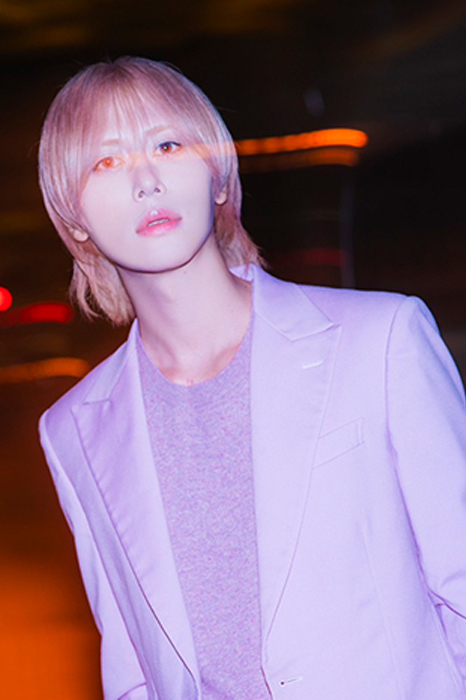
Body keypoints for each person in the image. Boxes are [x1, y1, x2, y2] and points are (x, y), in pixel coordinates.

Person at [38, 56, 466, 700]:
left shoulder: (381, 341)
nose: (146, 181)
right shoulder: (72, 430)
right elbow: (132, 673)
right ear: (74, 220)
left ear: (216, 176)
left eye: (168, 145)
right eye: (106, 161)